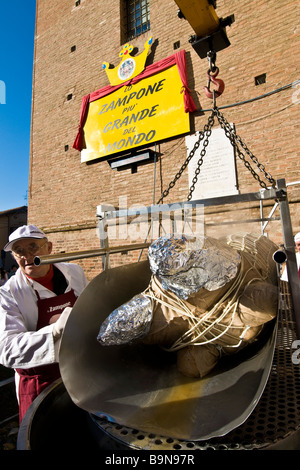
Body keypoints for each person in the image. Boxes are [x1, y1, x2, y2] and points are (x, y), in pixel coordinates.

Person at [0, 224, 88, 422]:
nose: (26, 256)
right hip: (40, 382)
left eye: (33, 247)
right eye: (19, 251)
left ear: (49, 248)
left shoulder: (74, 272)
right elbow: (6, 350)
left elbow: (90, 307)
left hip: (79, 369)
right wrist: (54, 332)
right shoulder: (9, 294)